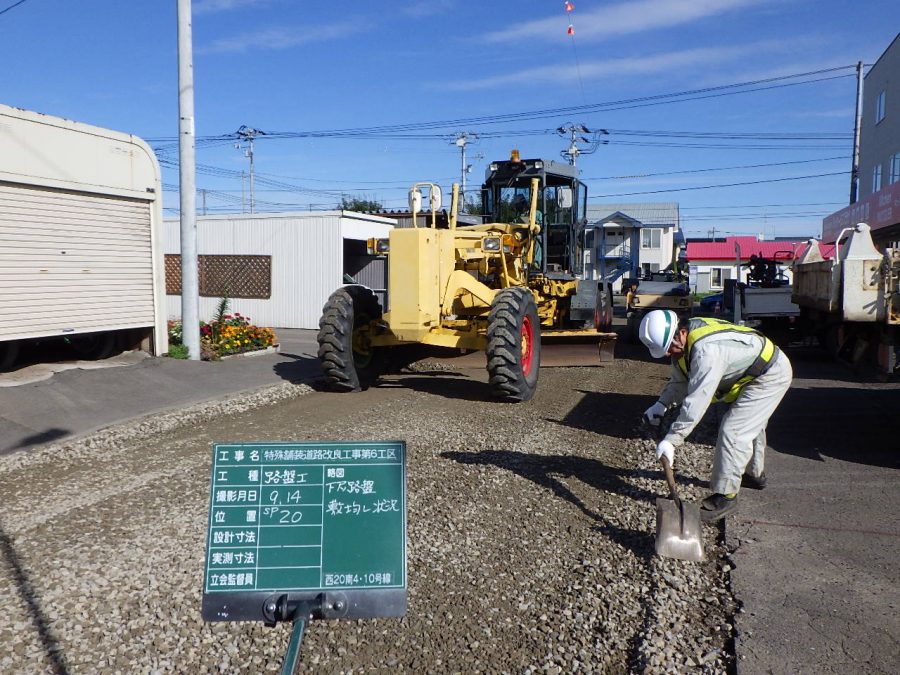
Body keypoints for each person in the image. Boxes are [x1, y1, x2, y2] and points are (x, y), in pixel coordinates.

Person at [638, 310, 792, 522]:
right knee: (751, 423)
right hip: (750, 372)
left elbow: (697, 401)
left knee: (734, 430)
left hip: (770, 374)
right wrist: (661, 404)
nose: (667, 355)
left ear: (681, 333)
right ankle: (754, 475)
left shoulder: (706, 352)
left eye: (669, 348)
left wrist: (672, 441)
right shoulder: (683, 344)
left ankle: (726, 497)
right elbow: (680, 380)